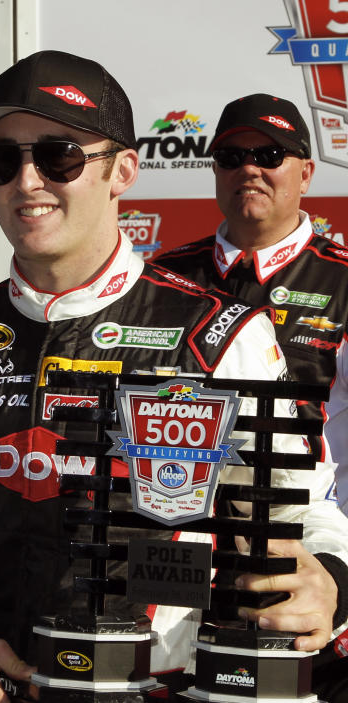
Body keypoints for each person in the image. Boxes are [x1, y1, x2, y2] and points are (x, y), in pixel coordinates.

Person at [0, 52, 348, 703]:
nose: (27, 180)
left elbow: (304, 507)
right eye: (2, 159)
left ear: (122, 171)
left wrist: (329, 578)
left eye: (59, 156)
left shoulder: (220, 334)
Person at [155, 91, 348, 700]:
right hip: (179, 577)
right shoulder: (161, 278)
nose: (249, 169)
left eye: (270, 153)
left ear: (306, 173)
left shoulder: (343, 276)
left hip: (314, 566)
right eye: (231, 156)